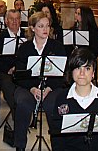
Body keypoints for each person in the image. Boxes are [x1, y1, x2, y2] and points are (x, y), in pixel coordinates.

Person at [48, 48, 98, 151]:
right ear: (72, 71)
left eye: (87, 68)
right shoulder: (61, 98)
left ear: (93, 73)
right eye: (78, 68)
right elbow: (57, 138)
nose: (82, 73)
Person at [13, 12, 66, 151]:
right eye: (41, 26)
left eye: (47, 26)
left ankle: (58, 146)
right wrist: (32, 89)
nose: (45, 29)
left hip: (52, 88)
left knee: (52, 105)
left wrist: (47, 89)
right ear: (32, 28)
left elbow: (62, 75)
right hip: (28, 87)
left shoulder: (58, 47)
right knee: (23, 103)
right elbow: (19, 75)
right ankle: (20, 146)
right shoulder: (25, 48)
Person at [0, 9, 25, 119]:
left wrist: (18, 67)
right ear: (6, 21)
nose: (14, 22)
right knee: (7, 85)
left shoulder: (28, 36)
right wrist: (8, 69)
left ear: (20, 21)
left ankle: (27, 110)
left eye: (17, 19)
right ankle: (17, 112)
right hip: (4, 71)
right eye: (11, 19)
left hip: (22, 69)